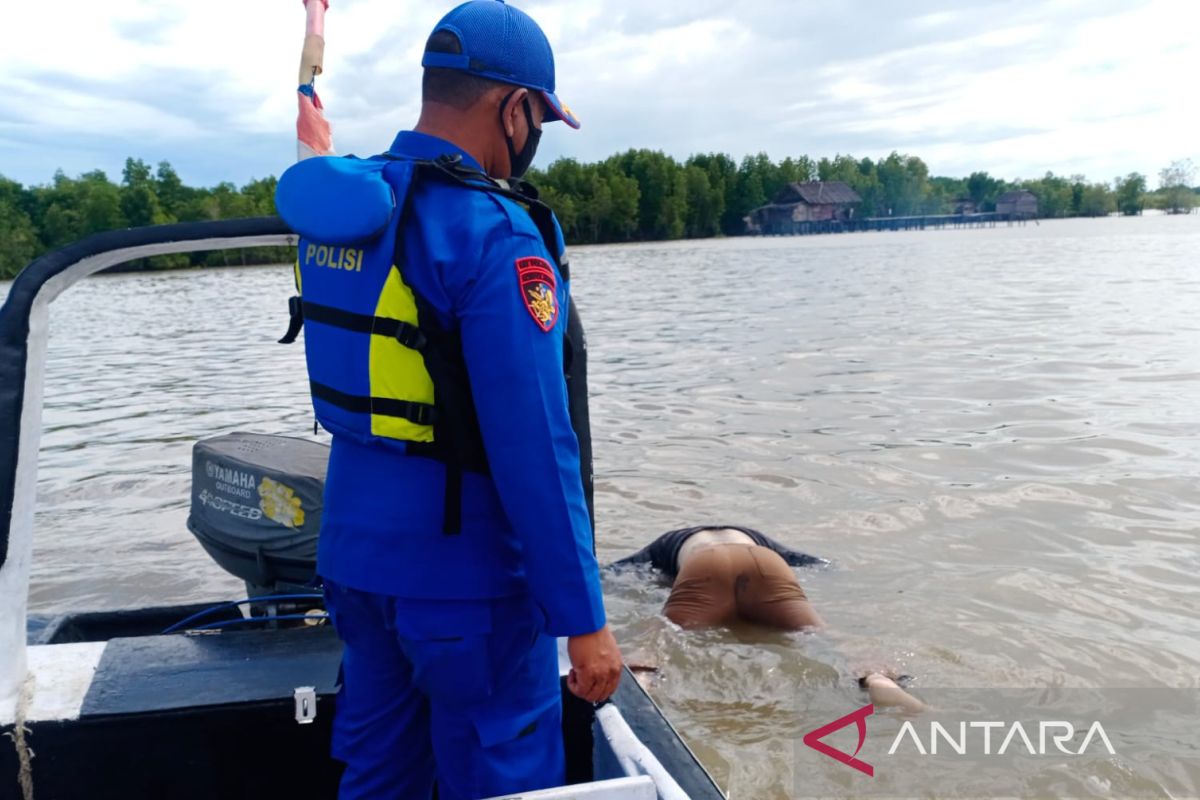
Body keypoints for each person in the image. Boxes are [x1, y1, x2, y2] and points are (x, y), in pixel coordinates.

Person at [274, 2, 621, 798]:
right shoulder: (493, 232)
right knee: (503, 771)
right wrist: (585, 621)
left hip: (356, 564)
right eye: (540, 118)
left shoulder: (355, 209)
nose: (534, 141)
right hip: (468, 584)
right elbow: (536, 444)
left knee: (379, 769)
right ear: (513, 108)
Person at [613, 525, 923, 711]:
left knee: (657, 635)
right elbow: (811, 561)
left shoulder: (664, 545)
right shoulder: (757, 537)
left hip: (702, 563)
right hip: (765, 562)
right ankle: (879, 680)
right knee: (826, 635)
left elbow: (618, 573)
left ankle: (642, 683)